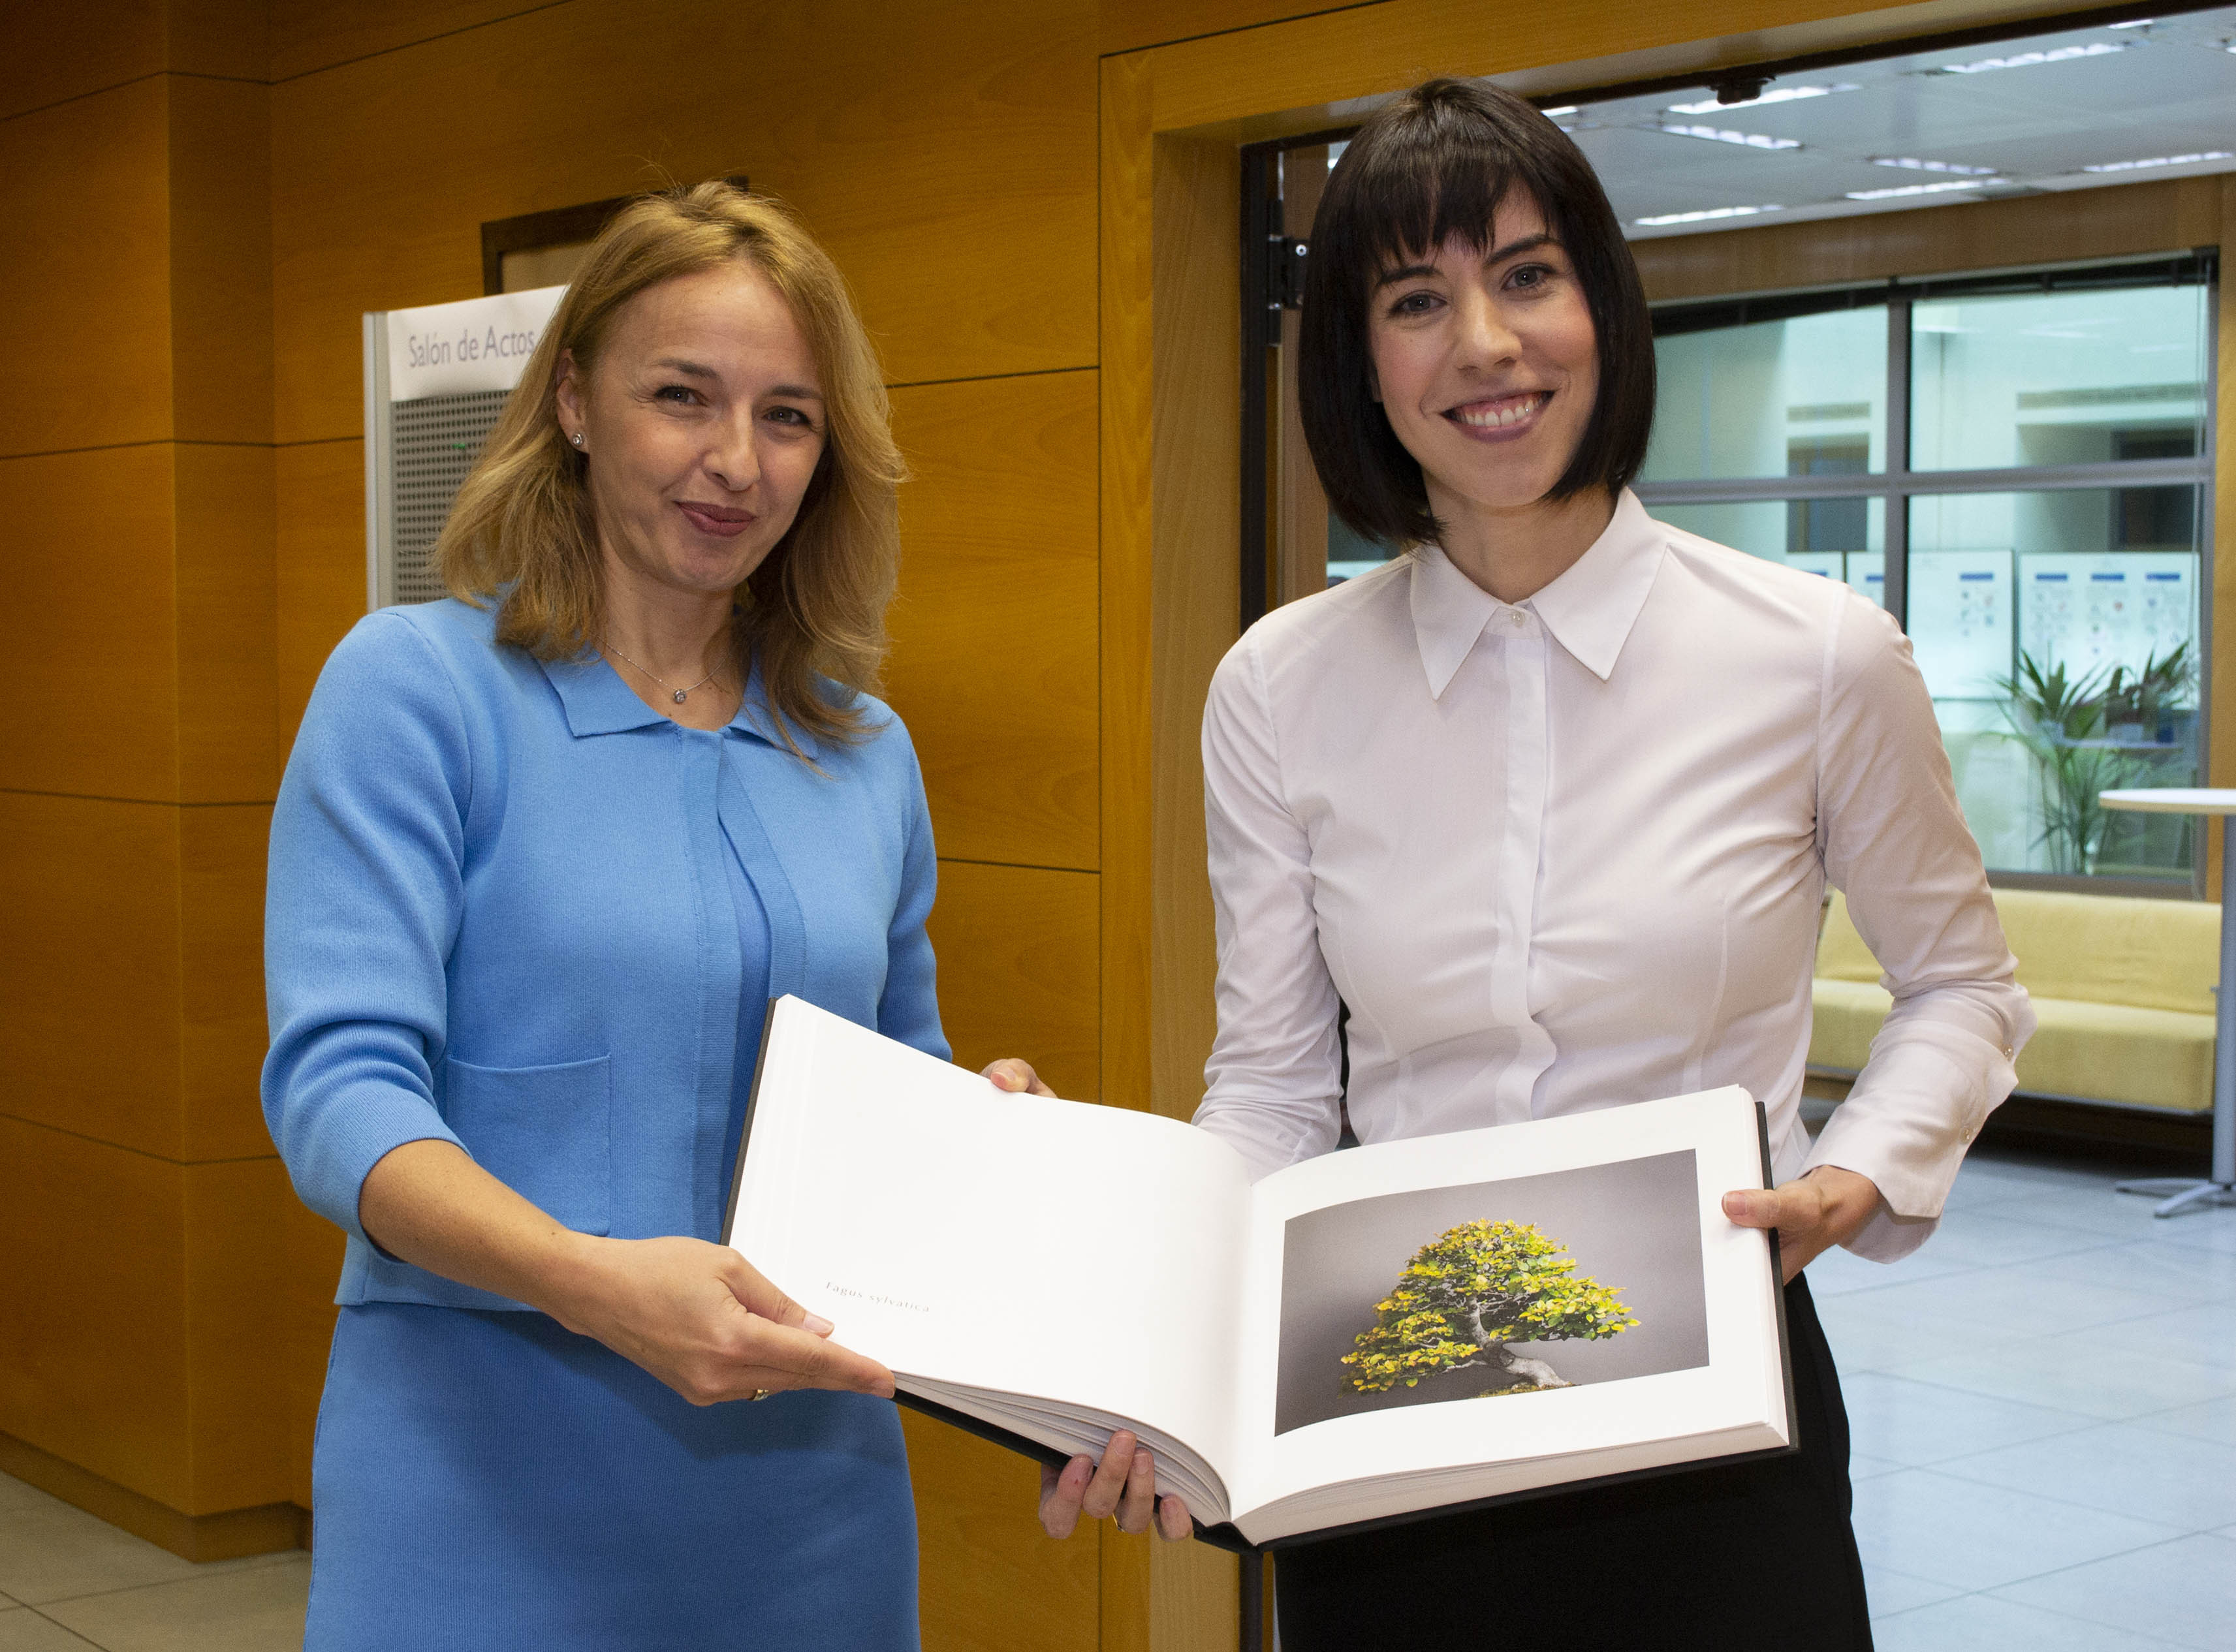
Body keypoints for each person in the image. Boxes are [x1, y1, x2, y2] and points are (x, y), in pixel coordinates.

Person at [1042, 80, 2035, 1640]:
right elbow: (1278, 1090)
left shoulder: (1817, 656)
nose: (1486, 345)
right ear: (1360, 361)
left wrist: (1853, 1174)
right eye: (1416, 301)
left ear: (1603, 309)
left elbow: (1963, 987)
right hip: (1387, 1411)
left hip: (1718, 1411)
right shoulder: (1280, 686)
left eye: (1527, 276)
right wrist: (1165, 1353)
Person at [263, 181, 1056, 1649]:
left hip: (809, 1509)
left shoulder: (861, 748)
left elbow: (896, 1078)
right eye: (682, 397)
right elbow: (339, 1100)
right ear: (574, 401)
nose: (734, 462)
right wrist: (588, 1283)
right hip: (477, 1474)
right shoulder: (416, 691)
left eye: (787, 417)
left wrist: (980, 1133)